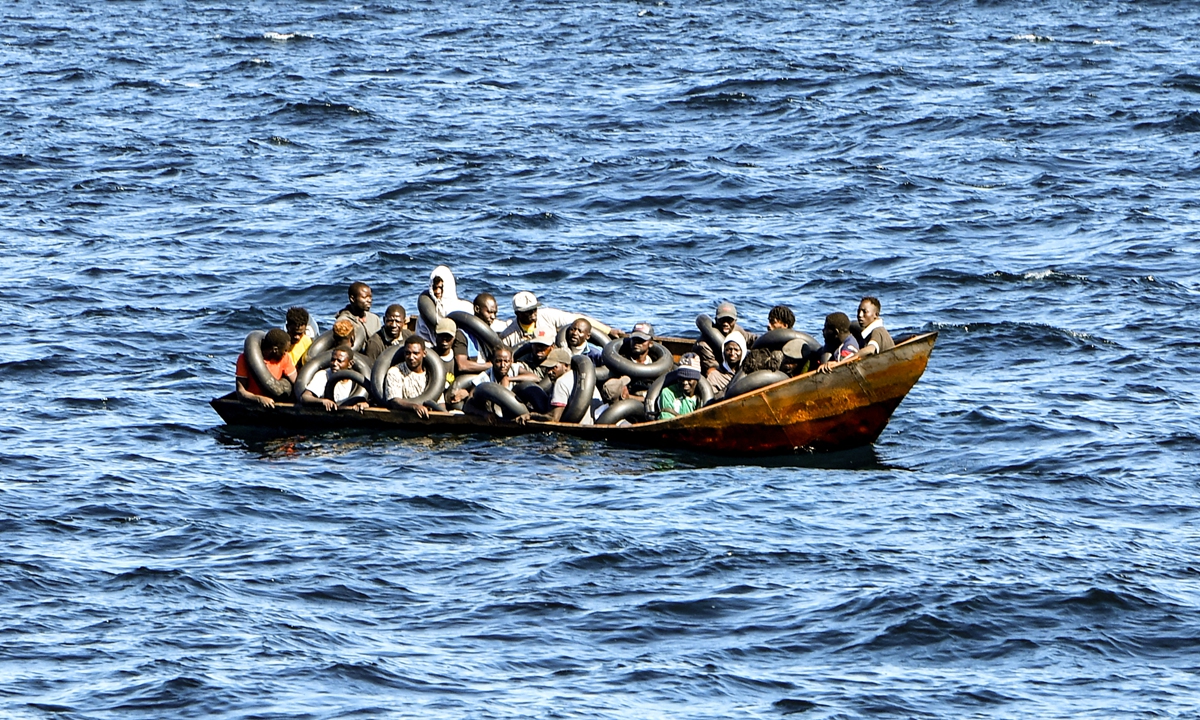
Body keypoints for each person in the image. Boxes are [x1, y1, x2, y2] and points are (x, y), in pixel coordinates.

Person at [499, 291, 618, 347]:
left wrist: (608, 331)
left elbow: (578, 319)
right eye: (528, 311)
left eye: (534, 308)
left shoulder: (548, 315)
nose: (533, 313)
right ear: (518, 313)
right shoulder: (509, 335)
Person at [517, 348, 595, 425]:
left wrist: (531, 416)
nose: (550, 372)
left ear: (566, 366)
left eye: (554, 367)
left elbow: (553, 419)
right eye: (548, 368)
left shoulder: (561, 382)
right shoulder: (579, 377)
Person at [465, 345, 540, 418]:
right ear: (492, 361)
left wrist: (509, 379)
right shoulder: (484, 377)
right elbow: (468, 405)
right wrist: (484, 414)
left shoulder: (515, 368)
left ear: (511, 361)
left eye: (506, 361)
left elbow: (535, 378)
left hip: (518, 411)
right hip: (495, 415)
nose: (503, 365)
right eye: (498, 361)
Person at [235, 328, 297, 409]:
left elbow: (295, 381)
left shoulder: (285, 358)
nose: (286, 353)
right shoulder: (244, 358)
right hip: (253, 403)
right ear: (275, 349)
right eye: (285, 350)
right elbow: (241, 392)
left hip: (277, 401)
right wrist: (259, 399)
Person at [693, 301, 758, 376]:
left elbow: (752, 338)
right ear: (716, 320)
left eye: (729, 320)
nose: (725, 323)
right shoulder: (704, 344)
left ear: (735, 321)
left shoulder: (737, 330)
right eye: (722, 320)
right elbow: (711, 370)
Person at [300, 346, 368, 413]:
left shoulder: (356, 380)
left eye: (339, 361)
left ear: (350, 364)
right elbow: (305, 397)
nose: (334, 364)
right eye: (333, 360)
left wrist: (363, 404)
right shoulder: (323, 375)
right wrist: (323, 401)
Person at [415, 266, 473, 343]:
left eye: (441, 287)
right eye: (435, 288)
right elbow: (422, 339)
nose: (438, 291)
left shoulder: (465, 308)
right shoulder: (425, 315)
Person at [384, 336, 432, 419]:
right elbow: (394, 401)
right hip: (403, 420)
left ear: (424, 354)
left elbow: (440, 402)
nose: (411, 357)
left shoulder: (431, 375)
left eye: (415, 353)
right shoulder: (395, 372)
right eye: (407, 353)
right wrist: (414, 407)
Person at [613, 322, 657, 396]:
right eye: (634, 339)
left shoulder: (656, 363)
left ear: (650, 343)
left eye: (641, 340)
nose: (636, 343)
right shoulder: (621, 361)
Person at [659, 353, 703, 419]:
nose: (685, 382)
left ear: (696, 380)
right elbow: (666, 420)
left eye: (689, 379)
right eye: (681, 379)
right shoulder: (668, 393)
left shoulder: (702, 397)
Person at [707, 330, 747, 397]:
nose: (732, 353)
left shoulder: (747, 371)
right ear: (723, 351)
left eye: (736, 350)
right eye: (729, 349)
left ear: (742, 352)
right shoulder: (714, 376)